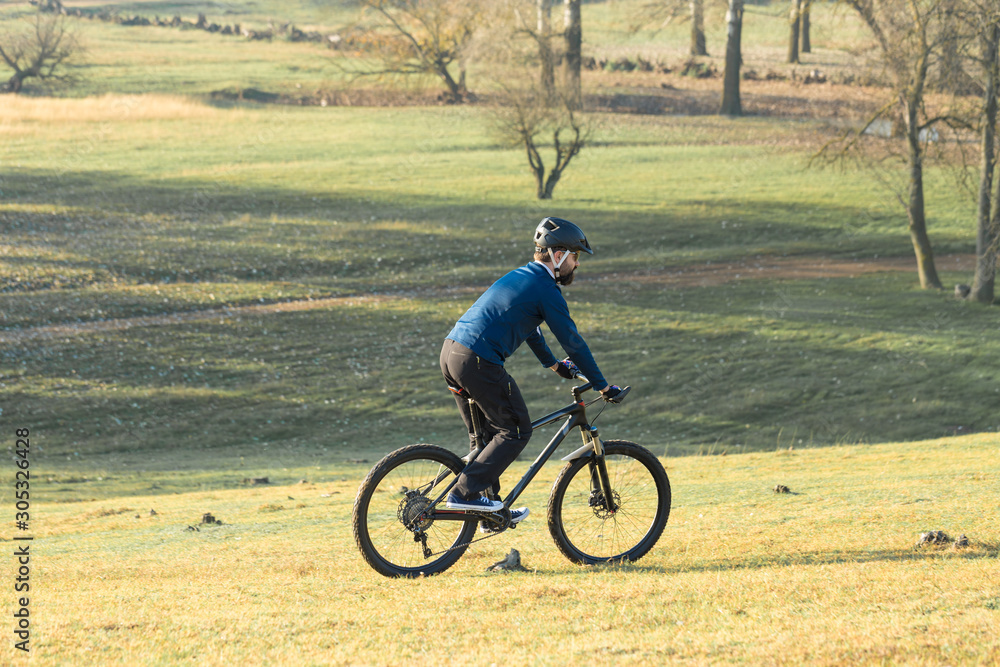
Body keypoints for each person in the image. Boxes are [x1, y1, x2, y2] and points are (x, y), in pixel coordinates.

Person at [439, 217, 623, 523]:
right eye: (575, 257)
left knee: (485, 441)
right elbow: (573, 343)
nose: (576, 265)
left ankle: (487, 511)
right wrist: (602, 385)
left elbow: (529, 328)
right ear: (559, 254)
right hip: (477, 361)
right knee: (516, 430)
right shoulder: (545, 289)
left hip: (451, 353)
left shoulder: (520, 277)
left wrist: (552, 364)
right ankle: (462, 495)